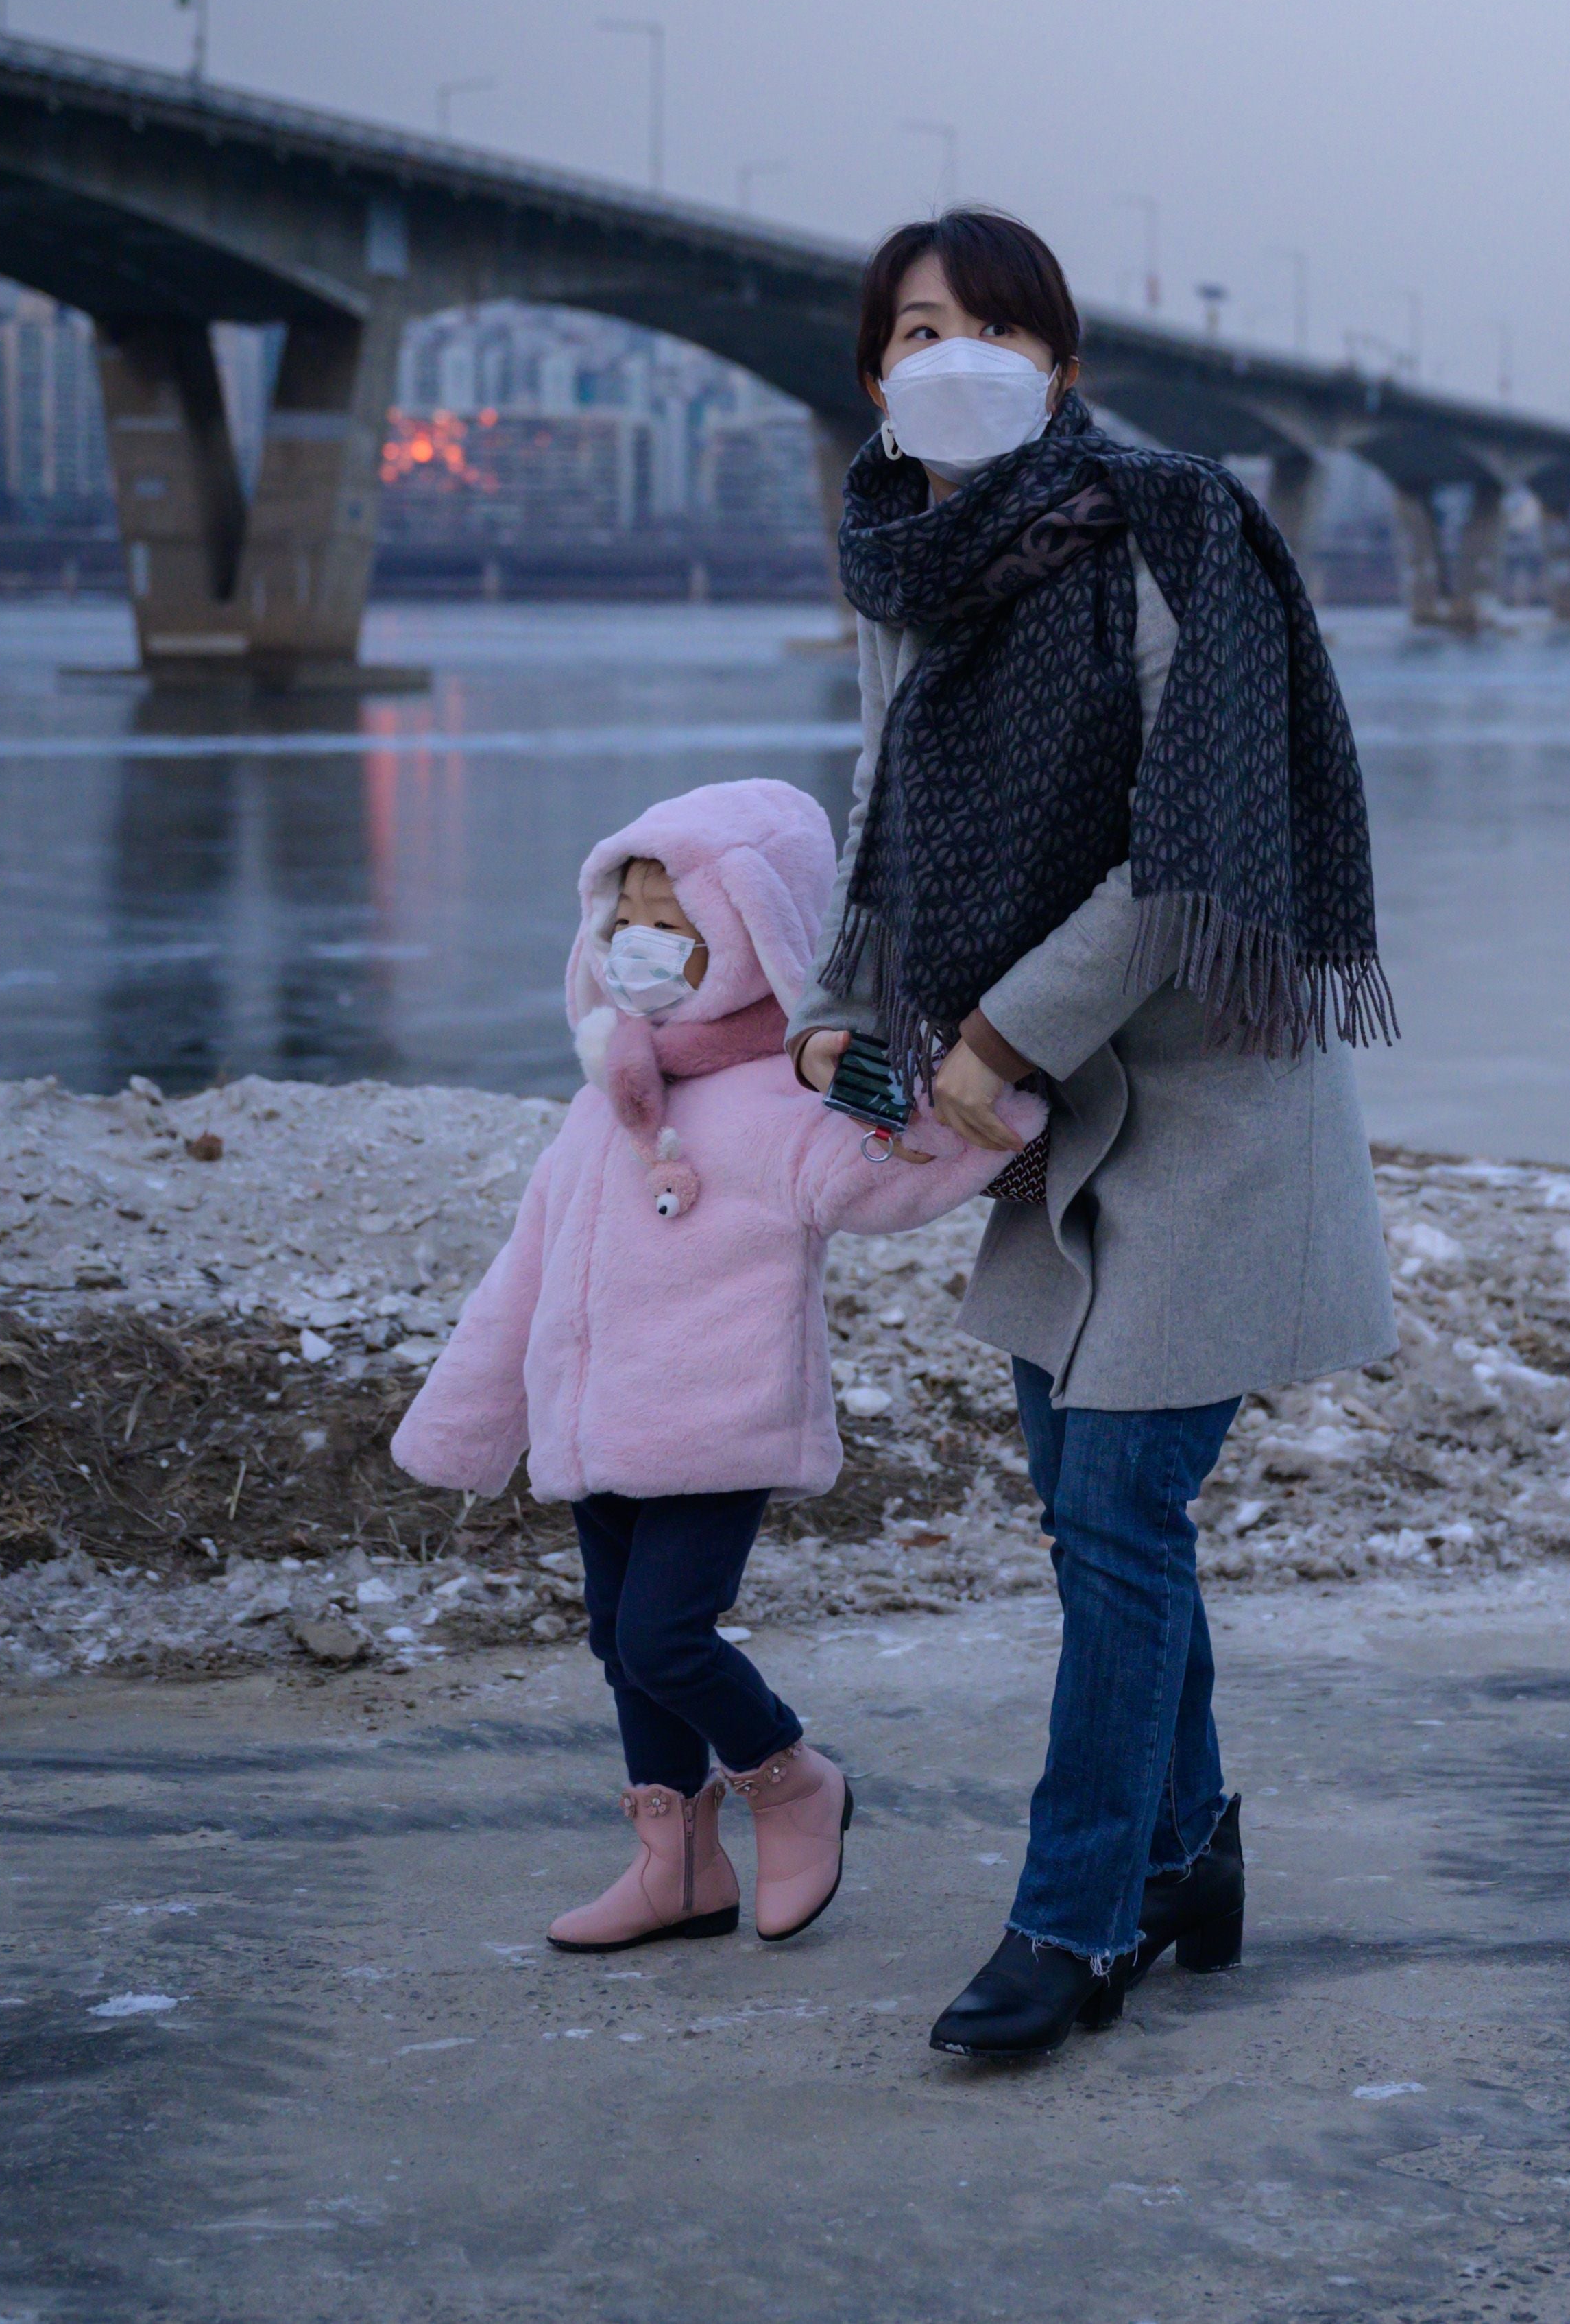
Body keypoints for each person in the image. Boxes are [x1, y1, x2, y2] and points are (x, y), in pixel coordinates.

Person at [791, 208, 1396, 2061]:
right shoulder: (915, 558)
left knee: (1121, 1516)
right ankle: (1197, 1842)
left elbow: (1186, 850)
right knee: (1087, 1509)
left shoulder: (1169, 529)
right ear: (874, 371)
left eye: (983, 323)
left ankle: (1078, 1918)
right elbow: (889, 803)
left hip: (1201, 1099)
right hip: (1048, 1122)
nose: (942, 352)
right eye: (908, 327)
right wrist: (839, 994)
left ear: (1059, 357)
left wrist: (991, 1032)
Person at [392, 778, 1037, 1954]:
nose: (640, 946)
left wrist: (834, 1059)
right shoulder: (610, 1101)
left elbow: (931, 1140)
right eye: (625, 917)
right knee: (616, 1646)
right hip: (594, 1429)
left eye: (673, 922)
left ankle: (791, 1782)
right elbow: (522, 1277)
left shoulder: (784, 1099)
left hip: (713, 1424)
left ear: (754, 936)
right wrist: (470, 1420)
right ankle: (674, 1863)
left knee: (663, 1639)